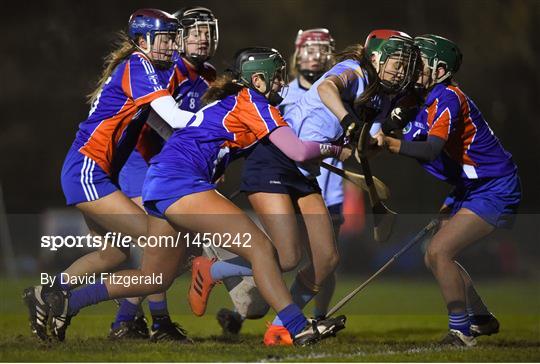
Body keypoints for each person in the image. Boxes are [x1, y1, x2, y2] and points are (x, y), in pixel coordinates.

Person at [41, 47, 349, 347]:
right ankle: (296, 327)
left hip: (162, 182)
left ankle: (68, 301)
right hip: (181, 182)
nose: (282, 82)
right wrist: (337, 149)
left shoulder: (237, 101)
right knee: (260, 249)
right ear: (257, 80)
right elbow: (297, 150)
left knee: (155, 278)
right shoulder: (253, 103)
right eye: (277, 76)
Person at [193, 34, 419, 346]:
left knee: (327, 260)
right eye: (398, 62)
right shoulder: (354, 71)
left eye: (405, 65)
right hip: (276, 160)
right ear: (377, 58)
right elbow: (328, 89)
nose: (401, 70)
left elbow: (368, 144)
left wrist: (377, 141)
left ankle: (280, 328)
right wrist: (347, 122)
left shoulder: (381, 97)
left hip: (306, 169)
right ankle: (212, 270)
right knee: (286, 258)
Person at [23, 8, 195, 342]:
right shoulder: (139, 65)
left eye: (173, 38)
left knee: (113, 254)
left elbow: (158, 123)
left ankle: (47, 295)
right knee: (159, 242)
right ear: (142, 41)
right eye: (165, 39)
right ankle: (75, 304)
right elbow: (172, 117)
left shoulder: (142, 67)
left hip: (92, 171)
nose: (172, 45)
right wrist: (221, 125)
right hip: (89, 171)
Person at [381, 34, 521, 347]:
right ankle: (481, 319)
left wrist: (390, 144)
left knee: (438, 251)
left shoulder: (448, 97)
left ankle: (461, 331)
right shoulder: (421, 99)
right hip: (469, 186)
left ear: (440, 69)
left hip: (494, 187)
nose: (412, 69)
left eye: (420, 64)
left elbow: (431, 150)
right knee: (437, 256)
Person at [215, 28, 342, 337]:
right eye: (309, 49)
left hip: (321, 184)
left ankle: (310, 317)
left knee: (325, 260)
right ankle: (259, 315)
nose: (315, 55)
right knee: (285, 257)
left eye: (321, 49)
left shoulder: (339, 89)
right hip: (282, 176)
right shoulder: (273, 95)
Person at [110, 6, 219, 342]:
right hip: (141, 160)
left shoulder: (210, 75)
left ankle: (136, 320)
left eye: (207, 31)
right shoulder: (164, 69)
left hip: (172, 167)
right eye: (194, 32)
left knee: (173, 247)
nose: (202, 38)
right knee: (162, 243)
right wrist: (187, 145)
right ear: (178, 38)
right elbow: (153, 117)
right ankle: (142, 321)